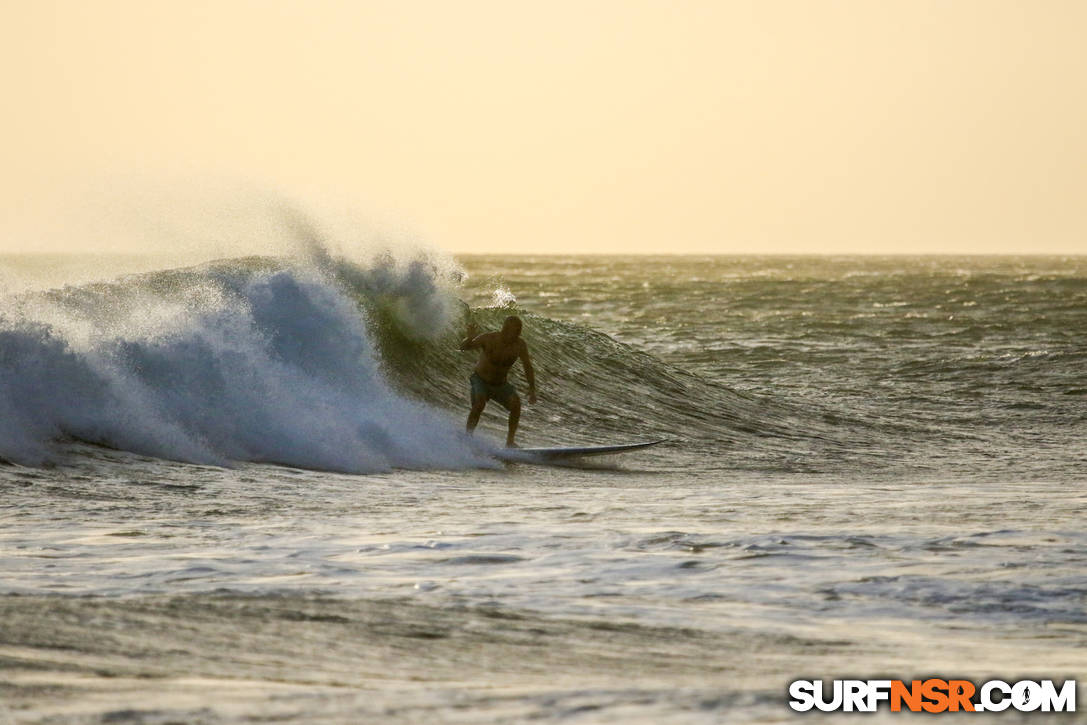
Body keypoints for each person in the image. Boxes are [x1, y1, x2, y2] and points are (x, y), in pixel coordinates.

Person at [460, 315, 537, 447]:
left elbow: (527, 366)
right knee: (479, 403)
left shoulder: (519, 345)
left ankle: (510, 442)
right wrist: (470, 338)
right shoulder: (489, 338)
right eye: (514, 331)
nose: (516, 334)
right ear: (505, 329)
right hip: (480, 380)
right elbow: (464, 347)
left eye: (518, 331)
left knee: (516, 404)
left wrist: (532, 388)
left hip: (500, 385)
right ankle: (468, 438)